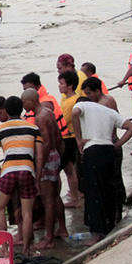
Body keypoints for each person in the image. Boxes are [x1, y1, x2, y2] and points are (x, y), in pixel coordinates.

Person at [71, 78, 132, 246]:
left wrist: (78, 139)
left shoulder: (83, 105)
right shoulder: (107, 110)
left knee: (93, 194)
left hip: (93, 151)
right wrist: (117, 145)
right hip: (108, 150)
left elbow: (74, 113)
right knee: (107, 190)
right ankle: (109, 226)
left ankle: (96, 234)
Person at [0, 95, 42, 256]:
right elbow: (39, 157)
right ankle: (28, 249)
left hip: (9, 172)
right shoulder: (33, 128)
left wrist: (2, 173)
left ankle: (4, 249)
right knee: (27, 213)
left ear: (6, 111)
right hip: (27, 171)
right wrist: (36, 179)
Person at [21, 89, 68, 249]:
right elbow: (59, 136)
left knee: (48, 199)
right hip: (55, 155)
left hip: (48, 159)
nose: (23, 105)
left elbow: (46, 142)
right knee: (55, 196)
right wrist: (57, 153)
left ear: (31, 101)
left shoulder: (40, 118)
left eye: (24, 102)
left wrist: (39, 165)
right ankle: (62, 229)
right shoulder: (48, 112)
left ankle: (49, 238)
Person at [57, 70, 82, 207]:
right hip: (72, 138)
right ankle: (75, 198)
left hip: (67, 139)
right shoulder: (73, 98)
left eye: (61, 84)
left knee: (57, 170)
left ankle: (60, 199)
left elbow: (62, 121)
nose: (59, 86)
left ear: (70, 85)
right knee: (70, 170)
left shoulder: (69, 102)